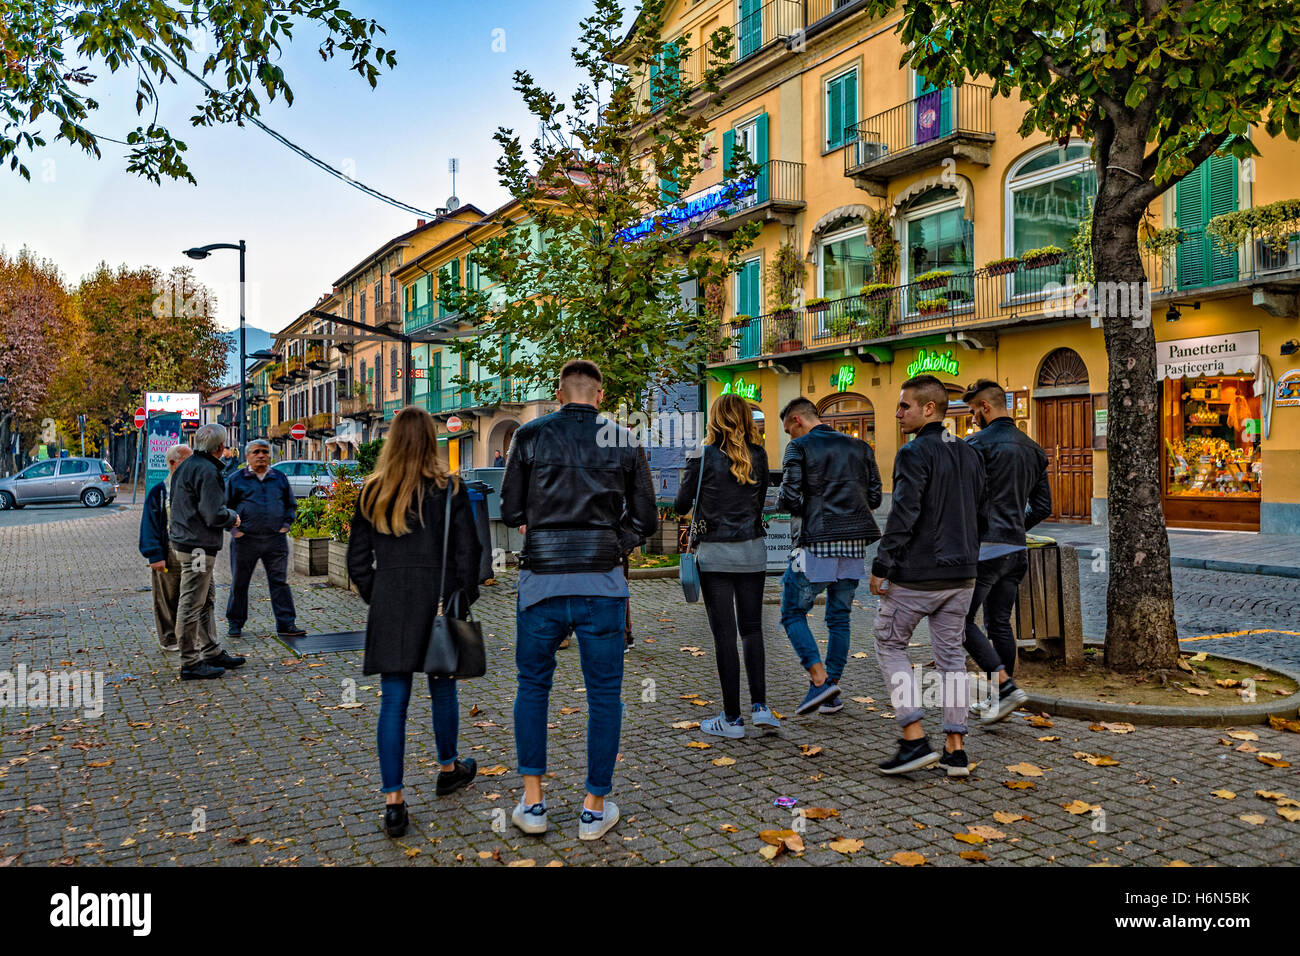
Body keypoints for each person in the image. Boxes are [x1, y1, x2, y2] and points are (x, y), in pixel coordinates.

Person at [500, 359, 656, 841]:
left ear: (559, 393)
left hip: (541, 581)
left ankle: (533, 803)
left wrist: (539, 527)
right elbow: (647, 518)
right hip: (602, 584)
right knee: (605, 695)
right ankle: (593, 806)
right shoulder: (624, 439)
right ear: (600, 396)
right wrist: (615, 543)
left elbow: (509, 509)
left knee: (532, 687)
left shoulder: (528, 436)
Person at [347, 406, 482, 838]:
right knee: (442, 688)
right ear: (430, 439)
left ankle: (394, 802)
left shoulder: (372, 491)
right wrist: (461, 597)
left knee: (393, 701)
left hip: (391, 604)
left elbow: (356, 561)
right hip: (437, 602)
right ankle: (447, 768)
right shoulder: (450, 489)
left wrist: (378, 595)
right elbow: (470, 554)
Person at [871, 375, 987, 777]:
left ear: (929, 409)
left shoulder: (913, 453)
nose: (898, 413)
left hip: (918, 574)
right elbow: (981, 514)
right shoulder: (970, 453)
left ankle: (914, 737)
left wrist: (882, 565)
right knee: (952, 656)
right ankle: (956, 748)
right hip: (962, 575)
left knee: (890, 645)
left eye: (904, 406)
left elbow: (903, 515)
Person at [674, 392, 776, 738]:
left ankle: (732, 719)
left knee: (724, 636)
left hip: (715, 554)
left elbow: (680, 503)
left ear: (714, 419)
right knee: (752, 629)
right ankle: (761, 707)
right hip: (752, 552)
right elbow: (760, 503)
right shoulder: (759, 455)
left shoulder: (701, 457)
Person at [777, 396, 882, 716]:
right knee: (839, 618)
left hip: (812, 543)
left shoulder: (799, 448)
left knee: (791, 611)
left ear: (797, 420)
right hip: (853, 546)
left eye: (787, 430)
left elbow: (789, 498)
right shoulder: (861, 447)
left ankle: (820, 680)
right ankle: (831, 689)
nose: (789, 437)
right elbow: (875, 497)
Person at [962, 379, 1052, 723]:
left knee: (959, 623)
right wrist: (1015, 527)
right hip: (1016, 549)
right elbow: (1043, 506)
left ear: (986, 407)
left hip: (983, 550)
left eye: (973, 411)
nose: (972, 419)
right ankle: (1000, 697)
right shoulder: (1033, 449)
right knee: (1000, 623)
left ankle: (1006, 688)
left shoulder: (975, 446)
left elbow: (963, 498)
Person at [168, 424, 246, 680]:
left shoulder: (186, 465)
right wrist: (233, 518)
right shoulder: (207, 471)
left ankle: (211, 651)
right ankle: (190, 661)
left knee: (206, 598)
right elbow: (213, 514)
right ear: (221, 448)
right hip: (198, 548)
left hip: (188, 542)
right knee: (193, 602)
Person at [225, 439, 306, 639]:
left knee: (279, 583)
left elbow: (291, 504)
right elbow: (225, 508)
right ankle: (235, 624)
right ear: (247, 456)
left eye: (265, 452)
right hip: (245, 540)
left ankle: (286, 624)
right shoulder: (236, 479)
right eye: (256, 452)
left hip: (275, 540)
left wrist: (286, 525)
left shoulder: (278, 478)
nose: (261, 455)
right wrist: (235, 532)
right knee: (240, 583)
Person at [139, 443, 192, 651]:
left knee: (195, 595)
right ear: (173, 463)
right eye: (187, 460)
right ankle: (169, 638)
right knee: (167, 596)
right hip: (169, 551)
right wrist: (154, 555)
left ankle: (191, 635)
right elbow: (149, 524)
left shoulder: (194, 488)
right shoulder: (159, 492)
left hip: (193, 550)